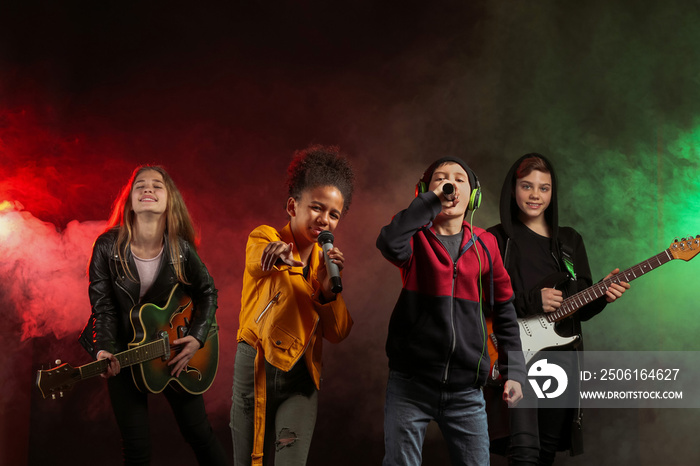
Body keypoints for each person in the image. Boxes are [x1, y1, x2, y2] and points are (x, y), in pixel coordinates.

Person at [376, 156, 526, 466]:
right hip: (410, 387)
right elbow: (389, 242)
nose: (450, 185)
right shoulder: (414, 239)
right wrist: (430, 201)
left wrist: (515, 373)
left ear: (473, 195)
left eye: (459, 179)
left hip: (466, 393)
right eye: (440, 179)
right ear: (424, 192)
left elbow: (505, 312)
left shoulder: (486, 244)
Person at [78, 165, 228, 465]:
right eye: (140, 186)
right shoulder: (107, 246)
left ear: (169, 200)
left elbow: (207, 293)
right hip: (124, 352)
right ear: (130, 202)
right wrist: (103, 349)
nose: (148, 189)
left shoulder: (181, 249)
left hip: (175, 349)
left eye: (157, 186)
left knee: (199, 435)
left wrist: (197, 338)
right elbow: (103, 306)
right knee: (137, 450)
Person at [486, 153, 630, 466]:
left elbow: (579, 311)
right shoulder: (495, 239)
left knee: (546, 452)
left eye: (544, 188)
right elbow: (480, 300)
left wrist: (603, 296)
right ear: (513, 190)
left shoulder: (569, 242)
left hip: (560, 360)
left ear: (553, 193)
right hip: (516, 356)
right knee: (523, 451)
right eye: (527, 186)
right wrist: (531, 301)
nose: (536, 195)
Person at [231, 145, 355, 466]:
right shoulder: (265, 237)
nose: (324, 219)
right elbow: (259, 259)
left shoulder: (324, 268)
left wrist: (328, 292)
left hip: (301, 379)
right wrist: (278, 255)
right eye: (317, 207)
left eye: (334, 214)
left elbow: (338, 332)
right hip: (254, 367)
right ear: (292, 205)